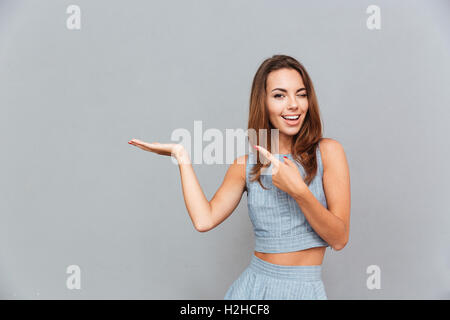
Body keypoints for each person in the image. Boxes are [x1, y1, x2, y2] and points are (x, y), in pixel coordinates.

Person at [128, 54, 351, 300]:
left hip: (305, 289)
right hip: (253, 290)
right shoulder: (245, 167)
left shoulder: (329, 152)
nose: (293, 105)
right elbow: (204, 220)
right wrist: (182, 157)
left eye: (301, 93)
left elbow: (339, 239)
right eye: (279, 95)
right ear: (263, 103)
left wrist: (299, 191)